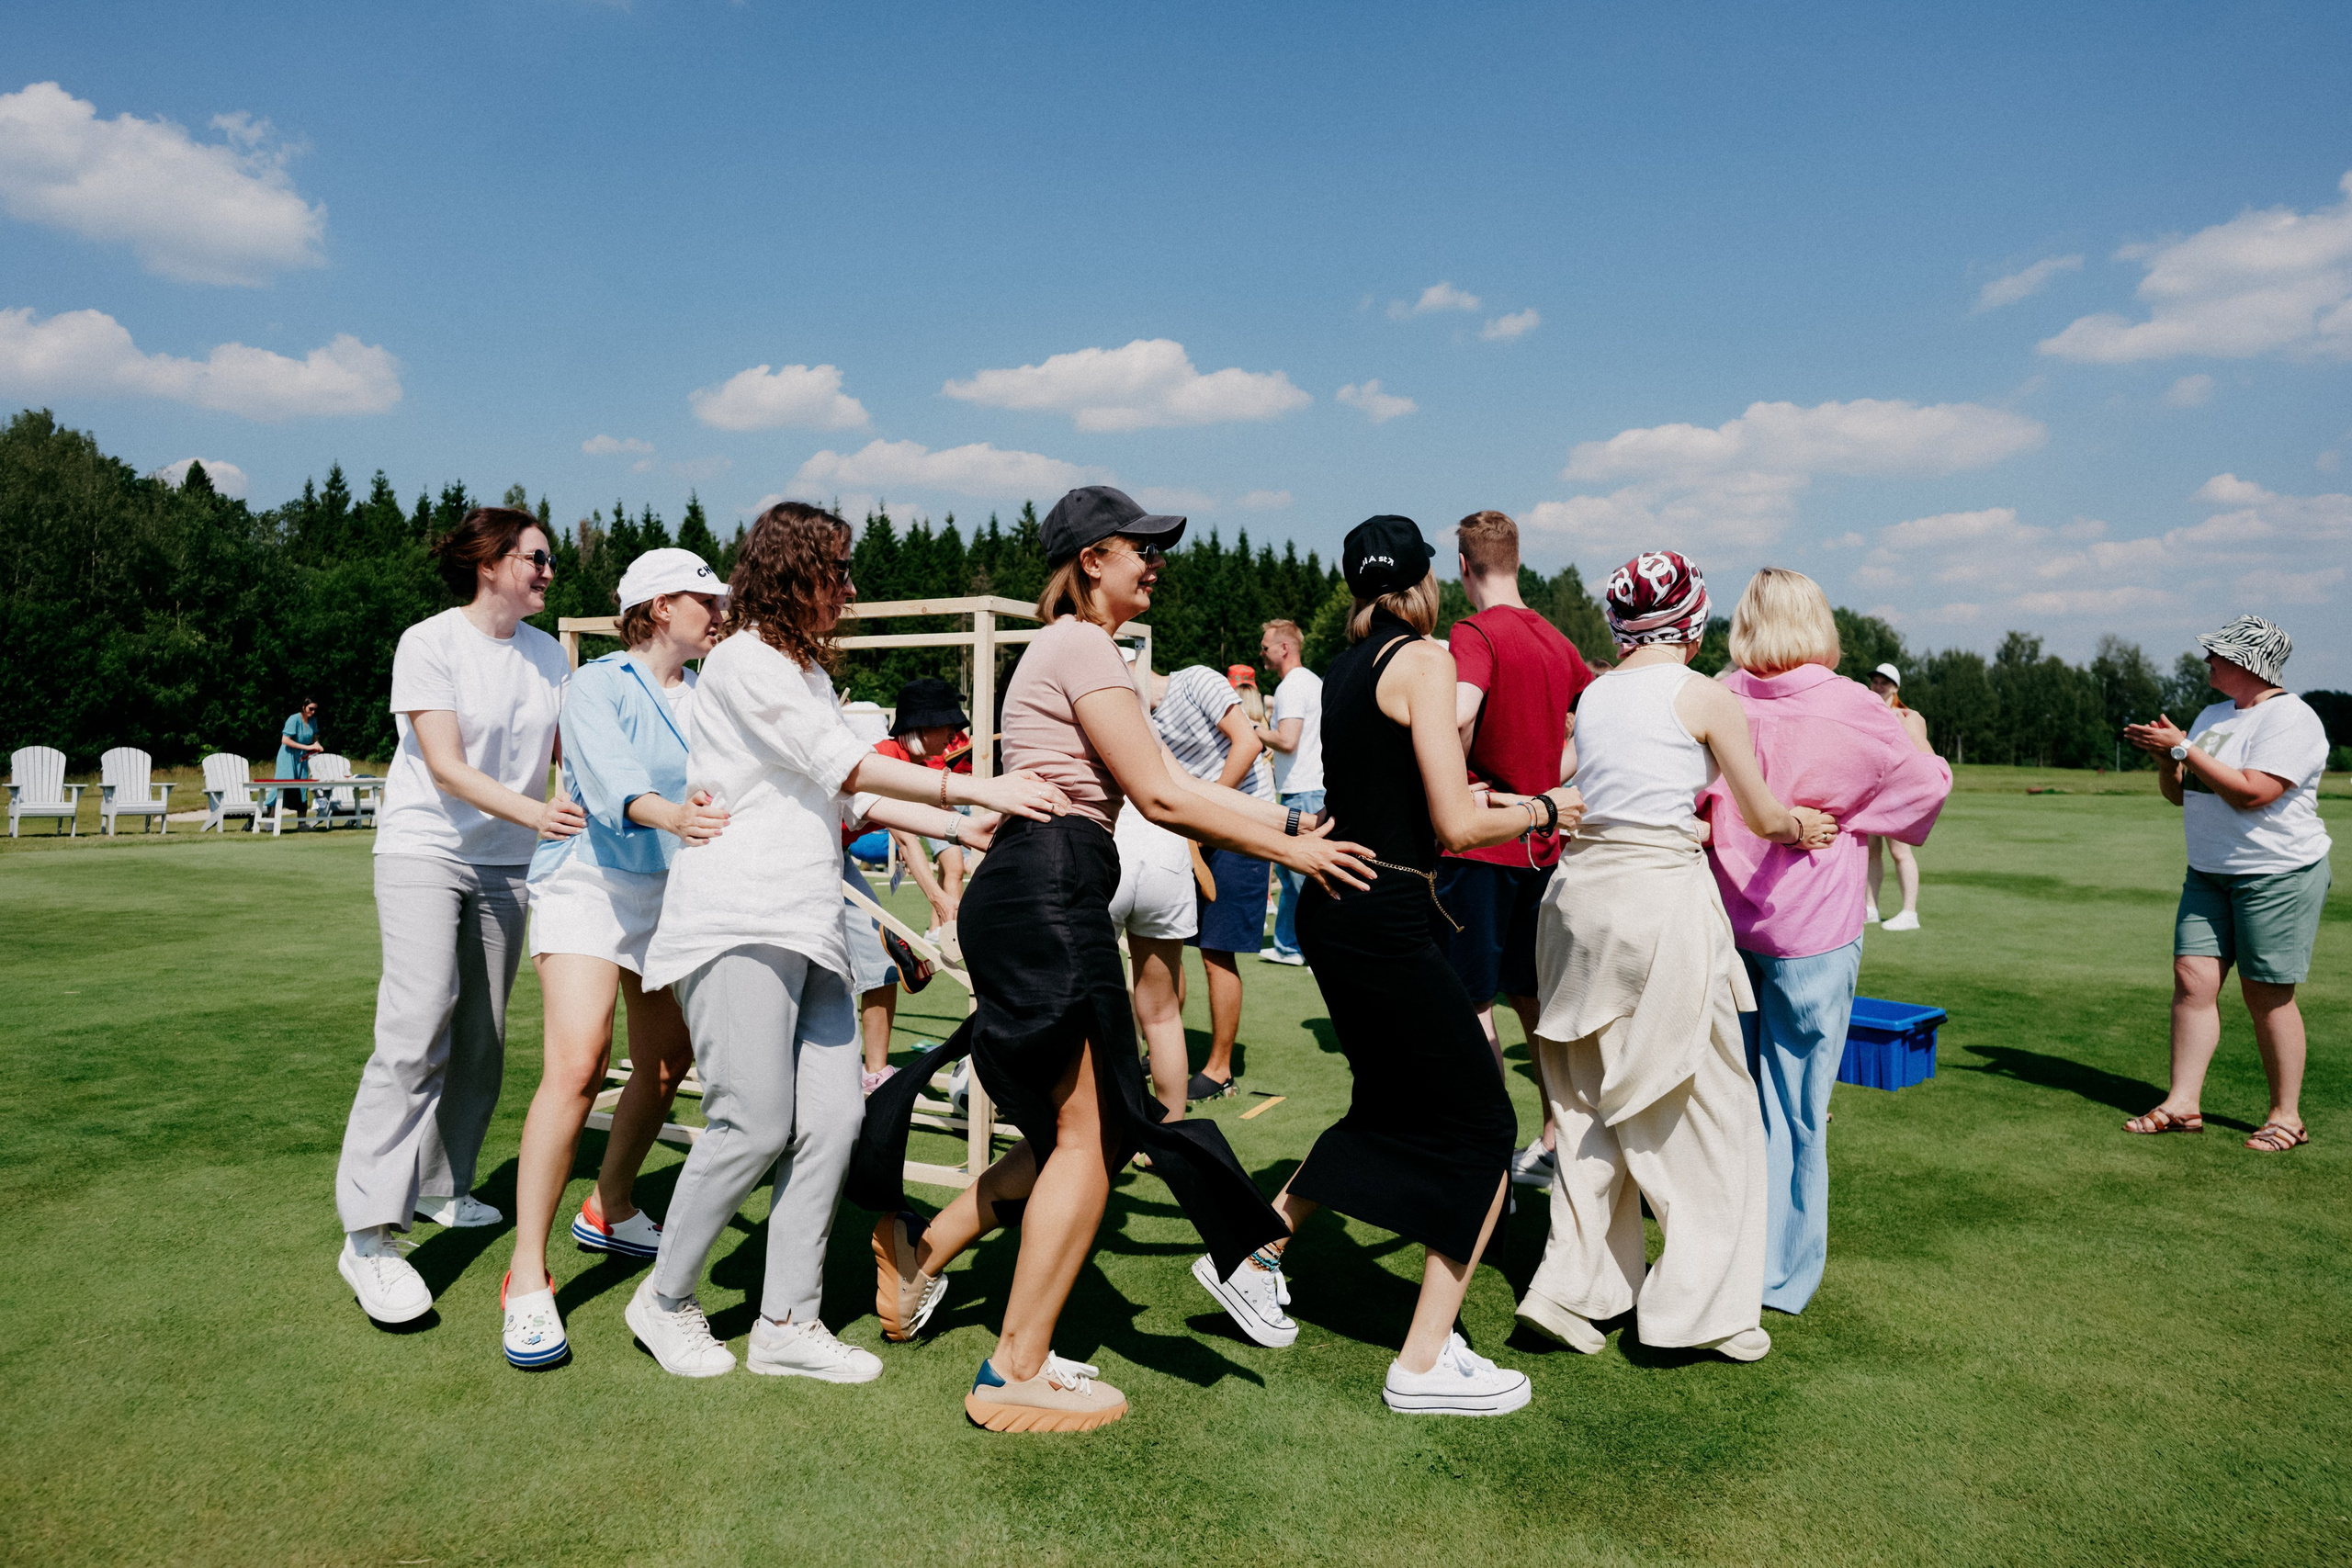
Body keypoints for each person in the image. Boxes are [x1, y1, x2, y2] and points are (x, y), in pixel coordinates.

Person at [848, 484, 1374, 1433]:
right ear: (1092, 559)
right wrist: (1290, 851)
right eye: (1142, 546)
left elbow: (1167, 778)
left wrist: (1292, 818)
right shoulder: (1079, 642)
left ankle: (920, 1254)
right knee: (1091, 1140)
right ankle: (1014, 1370)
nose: (1157, 561)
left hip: (1049, 882)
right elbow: (1158, 798)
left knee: (1082, 1138)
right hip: (1049, 885)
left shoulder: (1090, 653)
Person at [616, 502, 1053, 1385]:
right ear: (791, 575)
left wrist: (961, 823)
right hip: (738, 919)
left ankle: (787, 1320)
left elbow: (846, 799)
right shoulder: (741, 661)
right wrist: (980, 784)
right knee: (752, 1121)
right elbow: (844, 765)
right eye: (837, 574)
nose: (849, 592)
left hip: (810, 924)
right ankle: (662, 1300)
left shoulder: (804, 674)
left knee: (834, 1119)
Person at [1261, 514, 1584, 1416]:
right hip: (1388, 915)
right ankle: (1424, 1361)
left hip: (1340, 911)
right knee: (1483, 1128)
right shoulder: (1426, 658)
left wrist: (1488, 800)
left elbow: (1395, 796)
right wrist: (1548, 808)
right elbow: (1454, 826)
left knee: (1386, 1109)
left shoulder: (1339, 667)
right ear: (1423, 584)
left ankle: (1252, 1250)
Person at [1516, 550, 1837, 1364]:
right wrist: (1805, 825)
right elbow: (1763, 815)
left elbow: (1594, 789)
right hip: (1660, 904)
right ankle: (1698, 1313)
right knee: (1710, 1107)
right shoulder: (1704, 695)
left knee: (1586, 1105)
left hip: (1577, 904)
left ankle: (1571, 1288)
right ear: (1693, 622)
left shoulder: (1594, 695)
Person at [333, 506, 579, 1325]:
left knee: (484, 1034)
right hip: (424, 848)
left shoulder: (549, 654)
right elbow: (443, 765)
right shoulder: (429, 641)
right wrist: (537, 811)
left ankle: (445, 1183)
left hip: (508, 861)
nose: (549, 572)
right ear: (490, 563)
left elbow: (570, 757)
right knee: (416, 1021)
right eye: (537, 558)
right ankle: (368, 1235)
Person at [496, 548, 731, 1369]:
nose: (718, 610)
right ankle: (527, 1276)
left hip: (670, 887)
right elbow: (608, 783)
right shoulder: (594, 682)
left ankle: (610, 1203)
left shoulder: (710, 694)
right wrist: (677, 813)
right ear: (661, 607)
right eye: (706, 599)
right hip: (588, 882)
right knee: (579, 1062)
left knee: (669, 1062)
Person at [1702, 570, 1950, 1316]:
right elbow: (1924, 792)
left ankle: (1717, 1255)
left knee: (1724, 1098)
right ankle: (1777, 1275)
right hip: (1813, 923)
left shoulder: (1718, 691)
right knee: (1799, 1106)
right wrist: (1864, 796)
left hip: (1723, 915)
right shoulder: (1854, 704)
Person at [2122, 615, 2332, 1153]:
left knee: (2267, 994)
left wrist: (2182, 748)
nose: (2208, 660)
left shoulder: (2294, 719)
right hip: (2209, 872)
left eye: (2218, 652)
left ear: (2248, 660)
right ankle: (2182, 1104)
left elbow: (2251, 793)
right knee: (2192, 982)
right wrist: (2166, 758)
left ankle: (2287, 1116)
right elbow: (2183, 794)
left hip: (2277, 873)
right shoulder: (2214, 714)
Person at [1436, 511, 1593, 1191]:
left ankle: (1485, 1152)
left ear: (1463, 568)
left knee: (1474, 1006)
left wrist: (1461, 782)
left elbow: (1460, 709)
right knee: (1536, 1004)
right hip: (1544, 848)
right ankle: (1554, 1139)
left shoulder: (1472, 631)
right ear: (1517, 560)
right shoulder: (1557, 641)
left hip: (1481, 850)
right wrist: (1553, 779)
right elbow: (1595, 725)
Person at [1154, 660, 1277, 1099]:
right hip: (1191, 830)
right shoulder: (1137, 718)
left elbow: (1246, 744)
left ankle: (1220, 1068)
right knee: (1165, 939)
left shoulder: (1195, 680)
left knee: (1215, 950)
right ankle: (1163, 1047)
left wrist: (1207, 812)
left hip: (1242, 825)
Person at [1110, 649, 1200, 1118]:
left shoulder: (1086, 708)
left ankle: (1101, 1127)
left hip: (1110, 851)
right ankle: (1169, 1133)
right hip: (1166, 853)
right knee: (1162, 1013)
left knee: (1090, 1007)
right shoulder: (1151, 729)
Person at [1254, 618, 1324, 966]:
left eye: (1265, 647)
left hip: (1304, 790)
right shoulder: (1310, 681)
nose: (1261, 653)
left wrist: (1252, 729)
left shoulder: (1292, 686)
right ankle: (1288, 945)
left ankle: (1307, 948)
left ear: (1284, 648)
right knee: (1293, 873)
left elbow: (1287, 739)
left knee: (1301, 874)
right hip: (1309, 788)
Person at [1863, 663, 1932, 931]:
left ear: (1895, 687)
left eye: (1884, 682)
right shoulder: (1867, 713)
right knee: (1871, 851)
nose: (1878, 686)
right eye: (1875, 681)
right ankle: (1870, 907)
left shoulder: (1904, 716)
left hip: (1898, 791)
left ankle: (1909, 912)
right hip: (1872, 792)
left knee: (1899, 851)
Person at [276, 697, 323, 818]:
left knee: (302, 788)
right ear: (303, 707)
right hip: (288, 757)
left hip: (301, 758)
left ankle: (302, 823)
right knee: (283, 786)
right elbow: (285, 740)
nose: (313, 712)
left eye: (315, 709)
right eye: (310, 709)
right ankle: (270, 820)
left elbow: (314, 737)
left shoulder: (313, 721)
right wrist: (307, 747)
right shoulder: (294, 719)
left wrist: (316, 745)